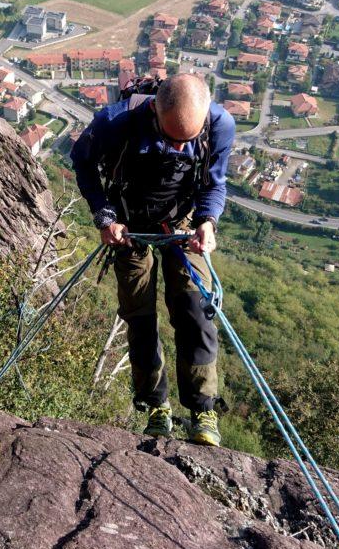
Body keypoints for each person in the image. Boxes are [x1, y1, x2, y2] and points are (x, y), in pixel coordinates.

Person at [70, 73, 236, 445]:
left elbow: (214, 182)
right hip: (129, 227)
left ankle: (202, 409)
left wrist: (208, 222)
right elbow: (82, 163)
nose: (179, 150)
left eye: (187, 142)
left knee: (196, 310)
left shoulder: (219, 124)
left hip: (183, 223)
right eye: (170, 139)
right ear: (154, 113)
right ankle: (156, 405)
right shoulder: (115, 122)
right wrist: (104, 216)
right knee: (140, 314)